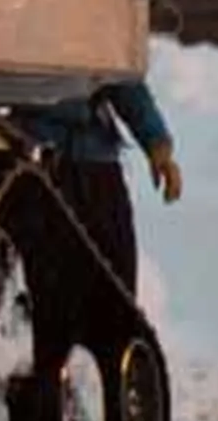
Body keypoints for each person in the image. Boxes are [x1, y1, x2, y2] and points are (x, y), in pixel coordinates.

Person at [22, 74, 181, 292]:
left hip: (91, 169)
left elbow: (120, 74)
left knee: (112, 289)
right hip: (33, 164)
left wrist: (157, 145)